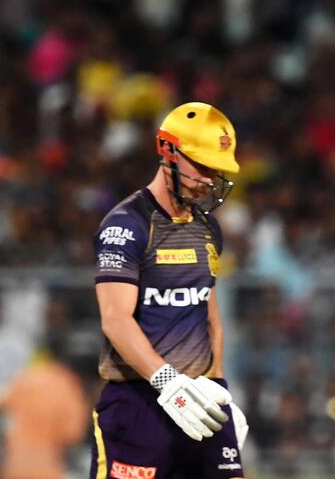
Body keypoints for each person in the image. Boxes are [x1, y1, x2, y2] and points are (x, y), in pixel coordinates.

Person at [90, 102, 248, 478]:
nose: (210, 179)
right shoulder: (126, 226)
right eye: (202, 166)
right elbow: (115, 320)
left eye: (216, 170)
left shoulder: (209, 229)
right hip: (137, 403)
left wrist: (220, 390)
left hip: (200, 400)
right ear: (167, 150)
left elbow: (209, 313)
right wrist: (167, 382)